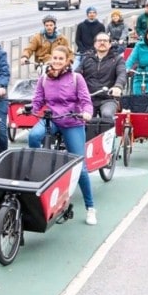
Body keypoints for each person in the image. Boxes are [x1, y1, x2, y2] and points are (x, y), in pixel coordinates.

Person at [27, 45, 96, 225]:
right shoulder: (44, 78)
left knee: (80, 166)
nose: (57, 61)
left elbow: (86, 101)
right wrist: (30, 110)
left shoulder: (76, 78)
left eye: (60, 59)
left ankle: (90, 207)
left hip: (72, 121)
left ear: (67, 61)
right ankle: (41, 165)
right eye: (54, 58)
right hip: (52, 119)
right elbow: (38, 100)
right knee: (34, 136)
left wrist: (87, 113)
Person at [78, 32, 126, 119]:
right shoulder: (87, 59)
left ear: (110, 44)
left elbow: (122, 74)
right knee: (83, 118)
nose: (102, 43)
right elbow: (76, 74)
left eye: (105, 41)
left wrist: (118, 87)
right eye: (99, 40)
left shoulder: (118, 59)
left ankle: (110, 132)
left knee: (107, 115)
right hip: (89, 98)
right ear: (95, 44)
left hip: (108, 98)